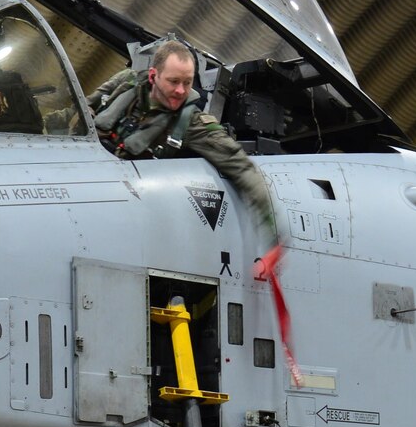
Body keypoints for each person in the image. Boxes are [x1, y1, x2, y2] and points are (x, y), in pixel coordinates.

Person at [90, 40, 282, 266]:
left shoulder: (193, 124)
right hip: (93, 182)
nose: (181, 90)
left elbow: (243, 168)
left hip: (128, 212)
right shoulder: (126, 82)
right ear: (153, 76)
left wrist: (272, 239)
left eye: (187, 82)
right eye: (173, 82)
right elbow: (83, 109)